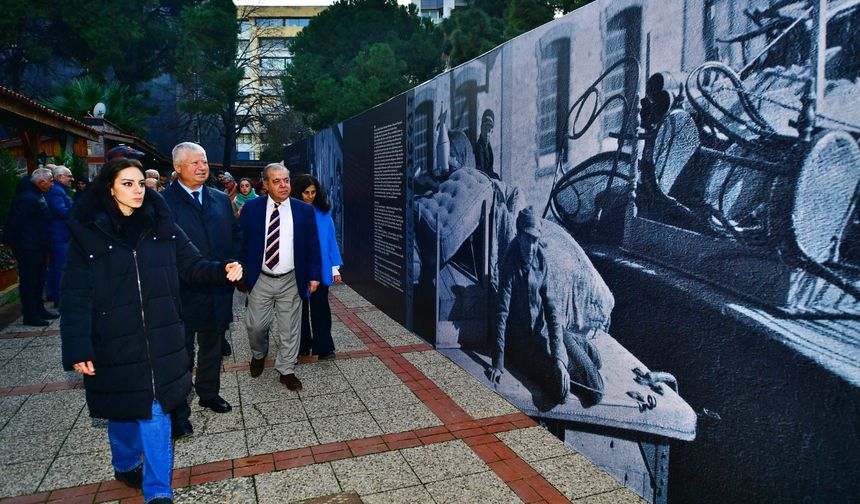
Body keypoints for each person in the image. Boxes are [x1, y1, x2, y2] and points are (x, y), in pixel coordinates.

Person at [59, 157, 242, 504]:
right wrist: (77, 347)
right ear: (109, 188)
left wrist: (223, 270)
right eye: (127, 184)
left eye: (141, 183)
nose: (137, 190)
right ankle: (126, 463)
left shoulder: (162, 224)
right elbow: (75, 294)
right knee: (123, 411)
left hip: (161, 336)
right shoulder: (88, 233)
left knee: (156, 411)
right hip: (113, 340)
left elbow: (193, 265)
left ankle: (158, 492)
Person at [161, 142, 240, 437]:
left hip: (217, 287)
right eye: (194, 163)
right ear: (178, 167)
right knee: (181, 353)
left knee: (212, 347)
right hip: (181, 291)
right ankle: (178, 410)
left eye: (204, 162)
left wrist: (236, 263)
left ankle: (209, 393)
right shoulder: (163, 202)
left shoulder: (220, 199)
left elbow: (235, 236)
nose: (202, 167)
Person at [489, 207, 604, 407]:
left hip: (546, 331)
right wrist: (498, 362)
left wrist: (560, 358)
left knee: (596, 389)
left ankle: (576, 342)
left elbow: (551, 310)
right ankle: (574, 346)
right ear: (519, 234)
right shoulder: (510, 263)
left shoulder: (541, 259)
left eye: (535, 240)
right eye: (527, 239)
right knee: (561, 394)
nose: (531, 247)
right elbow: (501, 314)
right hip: (524, 345)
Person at [239, 163, 321, 391]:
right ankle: (258, 353)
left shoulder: (303, 210)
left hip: (291, 279)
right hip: (261, 278)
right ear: (265, 184)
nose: (283, 185)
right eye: (276, 181)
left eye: (286, 180)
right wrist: (241, 271)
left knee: (290, 328)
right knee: (256, 326)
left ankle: (286, 369)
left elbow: (313, 245)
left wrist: (314, 276)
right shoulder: (252, 209)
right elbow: (240, 242)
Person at [291, 174, 343, 360]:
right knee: (299, 310)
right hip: (298, 267)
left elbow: (331, 241)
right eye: (306, 193)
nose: (310, 196)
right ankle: (302, 345)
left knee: (321, 308)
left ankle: (324, 347)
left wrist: (335, 268)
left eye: (313, 192)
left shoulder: (323, 212)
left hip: (321, 266)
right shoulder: (291, 212)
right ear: (298, 192)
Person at [2, 168, 57, 325]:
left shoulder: (36, 195)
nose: (52, 185)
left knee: (39, 279)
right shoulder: (27, 198)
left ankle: (39, 309)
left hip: (37, 245)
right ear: (41, 182)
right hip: (29, 247)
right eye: (51, 181)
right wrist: (8, 241)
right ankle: (30, 314)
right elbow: (16, 222)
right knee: (30, 280)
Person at [45, 166, 74, 308]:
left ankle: (58, 296)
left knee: (59, 268)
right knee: (59, 268)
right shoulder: (56, 191)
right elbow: (62, 211)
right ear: (60, 177)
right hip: (59, 236)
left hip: (60, 235)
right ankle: (60, 299)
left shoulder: (59, 190)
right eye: (69, 176)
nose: (71, 179)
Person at [474, 109, 498, 179]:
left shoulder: (488, 147)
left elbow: (490, 169)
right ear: (481, 129)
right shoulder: (479, 148)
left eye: (489, 130)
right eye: (485, 129)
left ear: (492, 132)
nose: (487, 134)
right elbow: (481, 172)